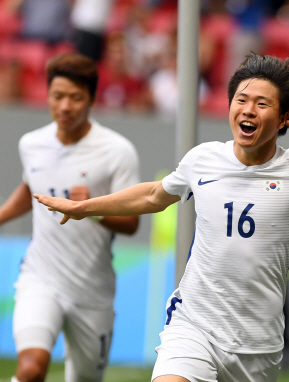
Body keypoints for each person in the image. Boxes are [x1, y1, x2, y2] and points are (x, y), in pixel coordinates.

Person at [33, 53, 289, 382]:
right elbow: (152, 195)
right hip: (194, 324)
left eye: (262, 104)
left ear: (282, 120)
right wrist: (86, 207)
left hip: (256, 343)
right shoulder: (203, 159)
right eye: (241, 100)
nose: (247, 110)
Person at [0, 53, 140, 382]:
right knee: (31, 368)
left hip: (92, 290)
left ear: (91, 99)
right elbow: (31, 187)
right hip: (40, 277)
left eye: (75, 98)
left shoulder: (117, 151)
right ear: (47, 95)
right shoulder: (32, 144)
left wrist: (90, 208)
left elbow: (132, 223)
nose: (65, 106)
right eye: (57, 96)